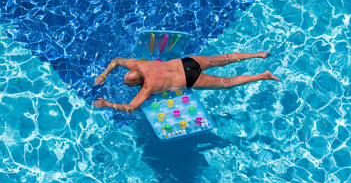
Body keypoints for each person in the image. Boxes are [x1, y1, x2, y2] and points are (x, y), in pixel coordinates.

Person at [93, 52, 280, 113]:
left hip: (189, 79)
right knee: (222, 59)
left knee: (226, 82)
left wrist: (106, 104)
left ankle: (261, 76)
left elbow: (129, 108)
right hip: (188, 62)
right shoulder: (139, 65)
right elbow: (117, 60)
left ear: (136, 83)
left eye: (127, 84)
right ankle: (258, 54)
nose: (125, 84)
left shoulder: (147, 88)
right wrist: (104, 74)